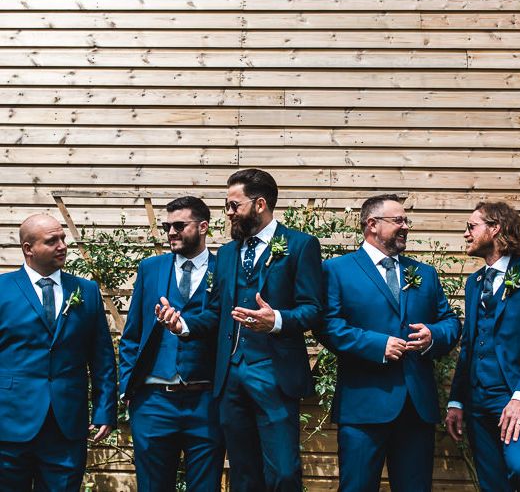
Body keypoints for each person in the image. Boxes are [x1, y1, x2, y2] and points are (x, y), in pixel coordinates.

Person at [157, 168, 323, 492]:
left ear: (259, 204)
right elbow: (217, 313)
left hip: (274, 375)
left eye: (234, 205)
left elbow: (314, 311)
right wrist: (184, 325)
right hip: (230, 378)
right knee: (244, 477)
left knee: (284, 473)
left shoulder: (301, 246)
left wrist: (275, 320)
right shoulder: (228, 253)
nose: (228, 213)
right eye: (227, 205)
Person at [318, 194, 461, 492]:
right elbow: (327, 326)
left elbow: (450, 322)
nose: (406, 226)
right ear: (372, 224)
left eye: (406, 220)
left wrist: (433, 335)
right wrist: (376, 345)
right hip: (363, 406)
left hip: (416, 407)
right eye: (399, 220)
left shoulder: (423, 273)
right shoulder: (337, 270)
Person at [445, 201, 520, 492]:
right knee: (492, 483)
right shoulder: (474, 282)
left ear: (495, 228)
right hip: (477, 400)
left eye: (471, 227)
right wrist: (457, 400)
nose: (466, 234)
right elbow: (469, 345)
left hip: (515, 395)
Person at [0, 214, 117, 491]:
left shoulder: (85, 291)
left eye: (63, 238)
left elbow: (101, 357)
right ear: (28, 249)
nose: (62, 245)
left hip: (66, 425)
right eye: (52, 241)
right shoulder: (2, 289)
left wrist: (104, 410)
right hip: (9, 424)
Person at [119, 196, 224, 492]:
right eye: (167, 226)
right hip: (154, 402)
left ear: (203, 227)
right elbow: (132, 335)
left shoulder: (225, 270)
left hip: (206, 401)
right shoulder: (151, 268)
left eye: (180, 225)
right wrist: (128, 388)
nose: (171, 232)